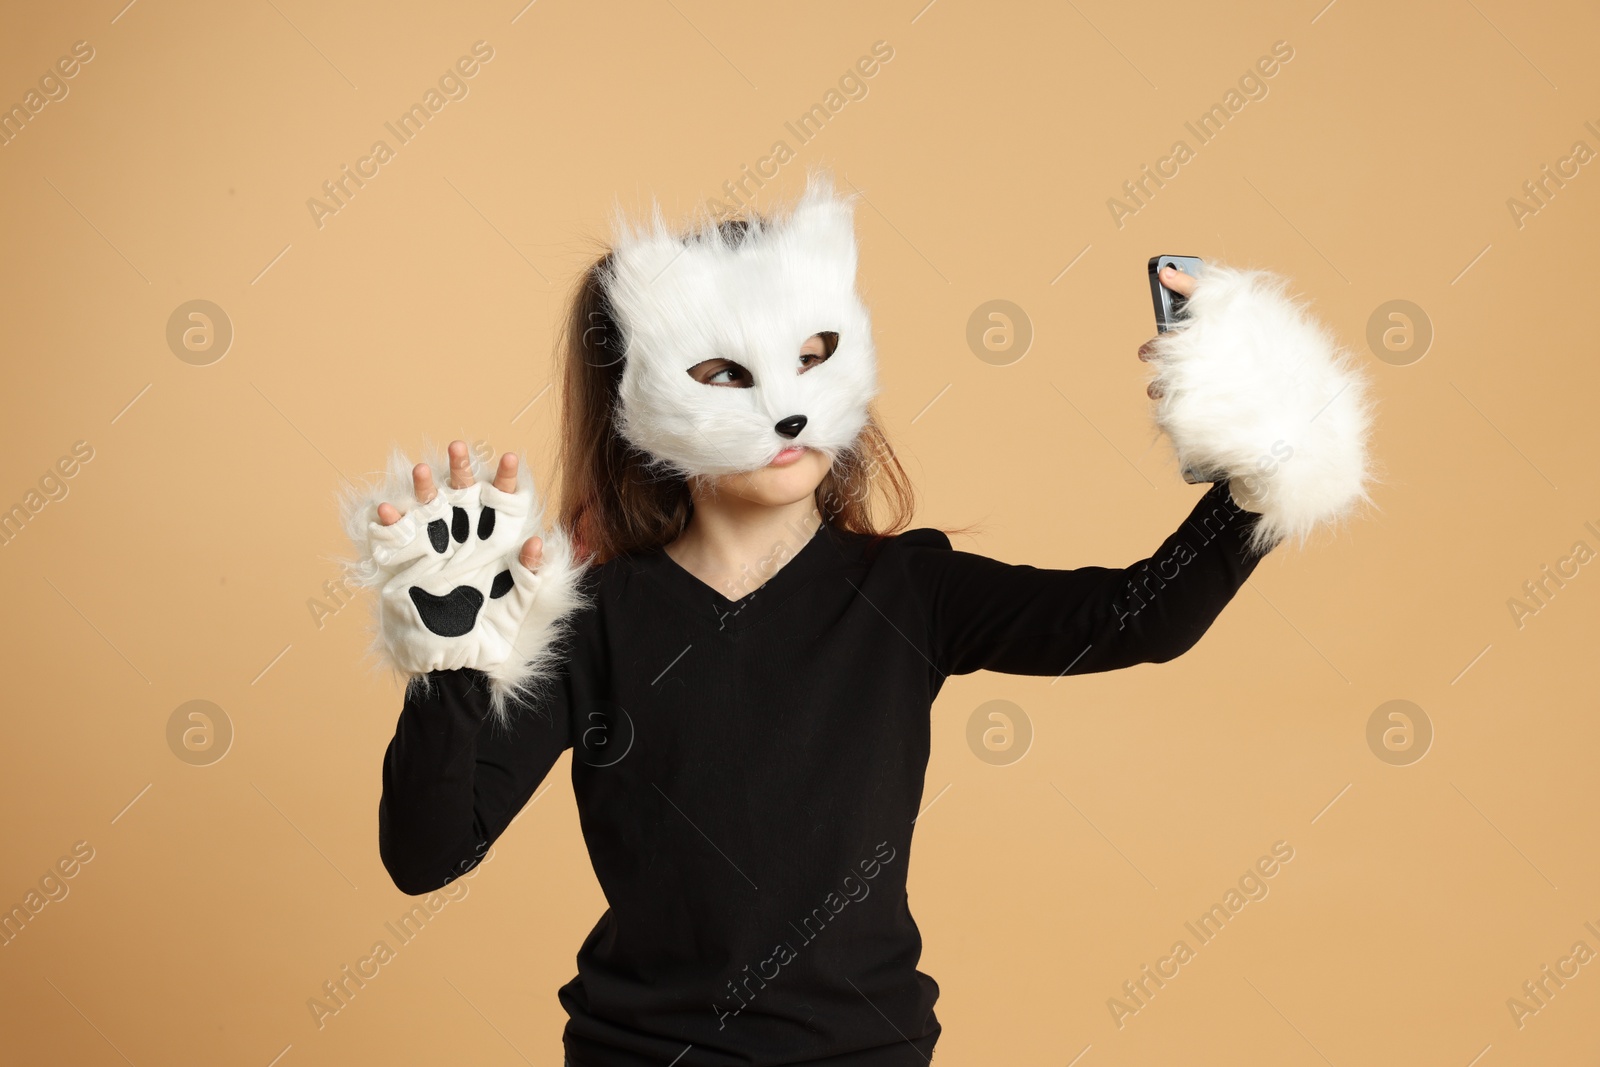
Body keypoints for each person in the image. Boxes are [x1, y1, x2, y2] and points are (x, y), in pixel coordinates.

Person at [337, 168, 1375, 1067]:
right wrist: (452, 658)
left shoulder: (907, 593)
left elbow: (1134, 617)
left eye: (810, 355)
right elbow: (428, 851)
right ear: (644, 399)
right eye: (723, 373)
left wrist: (1266, 448)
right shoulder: (590, 620)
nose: (780, 409)